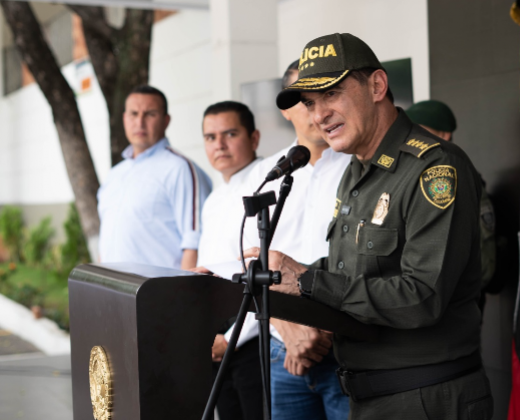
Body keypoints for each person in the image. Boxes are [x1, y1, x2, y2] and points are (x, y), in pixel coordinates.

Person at [246, 33, 493, 419]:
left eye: (332, 94)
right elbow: (354, 271)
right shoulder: (358, 169)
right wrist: (287, 273)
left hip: (425, 398)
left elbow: (422, 296)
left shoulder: (434, 168)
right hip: (367, 396)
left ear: (377, 86)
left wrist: (307, 282)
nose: (318, 115)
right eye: (310, 103)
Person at [231, 60, 350, 420]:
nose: (315, 111)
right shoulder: (264, 175)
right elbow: (249, 260)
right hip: (283, 351)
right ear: (286, 108)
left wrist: (321, 332)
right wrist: (289, 328)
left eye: (324, 96)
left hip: (347, 347)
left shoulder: (359, 166)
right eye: (303, 99)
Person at [196, 101, 263, 420]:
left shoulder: (265, 186)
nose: (219, 145)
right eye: (210, 137)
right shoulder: (212, 199)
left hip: (252, 334)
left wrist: (235, 336)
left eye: (230, 133)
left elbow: (265, 272)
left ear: (254, 138)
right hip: (218, 336)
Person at [98, 85, 212, 270]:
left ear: (166, 120)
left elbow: (195, 241)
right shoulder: (114, 174)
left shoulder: (180, 169)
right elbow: (106, 236)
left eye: (150, 114)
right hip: (113, 288)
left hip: (158, 293)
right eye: (134, 114)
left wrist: (182, 296)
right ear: (125, 119)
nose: (140, 122)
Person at [406, 100, 497, 292]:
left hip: (456, 301)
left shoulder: (460, 180)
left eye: (419, 131)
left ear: (444, 134)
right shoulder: (411, 178)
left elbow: (483, 258)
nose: (411, 139)